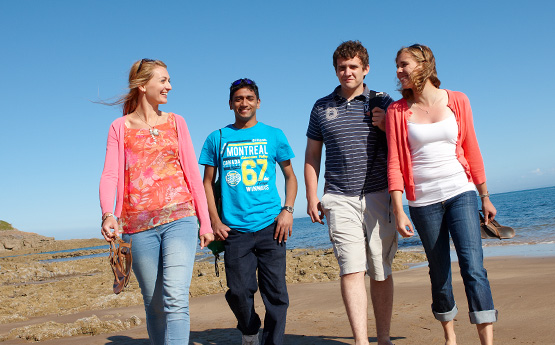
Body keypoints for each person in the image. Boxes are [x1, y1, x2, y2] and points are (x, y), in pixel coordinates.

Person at [386, 44, 498, 345]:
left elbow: (472, 149)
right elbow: (395, 162)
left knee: (474, 266)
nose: (398, 71)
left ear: (424, 65)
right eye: (397, 65)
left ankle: (486, 341)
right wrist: (399, 209)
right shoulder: (396, 111)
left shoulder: (458, 100)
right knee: (439, 271)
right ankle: (450, 337)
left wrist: (484, 195)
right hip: (422, 200)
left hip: (460, 190)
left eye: (404, 64)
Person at [99, 59, 214, 345]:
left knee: (175, 298)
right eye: (163, 80)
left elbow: (190, 171)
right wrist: (107, 214)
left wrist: (205, 223)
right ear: (142, 85)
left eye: (168, 80)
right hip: (136, 226)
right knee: (154, 304)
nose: (169, 86)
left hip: (180, 218)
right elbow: (111, 173)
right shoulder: (119, 127)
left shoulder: (177, 122)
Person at [304, 40, 399, 345]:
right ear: (336, 70)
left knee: (380, 269)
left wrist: (388, 126)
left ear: (365, 69)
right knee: (351, 268)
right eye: (342, 67)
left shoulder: (383, 101)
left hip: (378, 194)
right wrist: (311, 196)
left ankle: (382, 338)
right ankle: (361, 341)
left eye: (353, 66)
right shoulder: (321, 107)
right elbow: (312, 156)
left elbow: (404, 145)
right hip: (338, 196)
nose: (347, 72)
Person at [199, 78, 297, 345]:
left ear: (258, 102)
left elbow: (290, 176)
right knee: (239, 291)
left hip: (271, 225)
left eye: (249, 98)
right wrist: (214, 222)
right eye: (239, 99)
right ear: (231, 103)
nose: (244, 103)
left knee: (276, 294)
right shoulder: (216, 138)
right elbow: (206, 183)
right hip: (234, 229)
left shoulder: (274, 135)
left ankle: (272, 342)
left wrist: (287, 211)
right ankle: (250, 328)